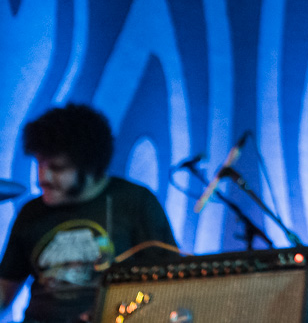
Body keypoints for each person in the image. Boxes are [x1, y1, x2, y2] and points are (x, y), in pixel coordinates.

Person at [0, 104, 178, 323]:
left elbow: (170, 282)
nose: (43, 178)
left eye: (57, 168)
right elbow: (5, 289)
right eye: (40, 164)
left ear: (90, 167)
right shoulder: (32, 212)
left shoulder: (135, 202)